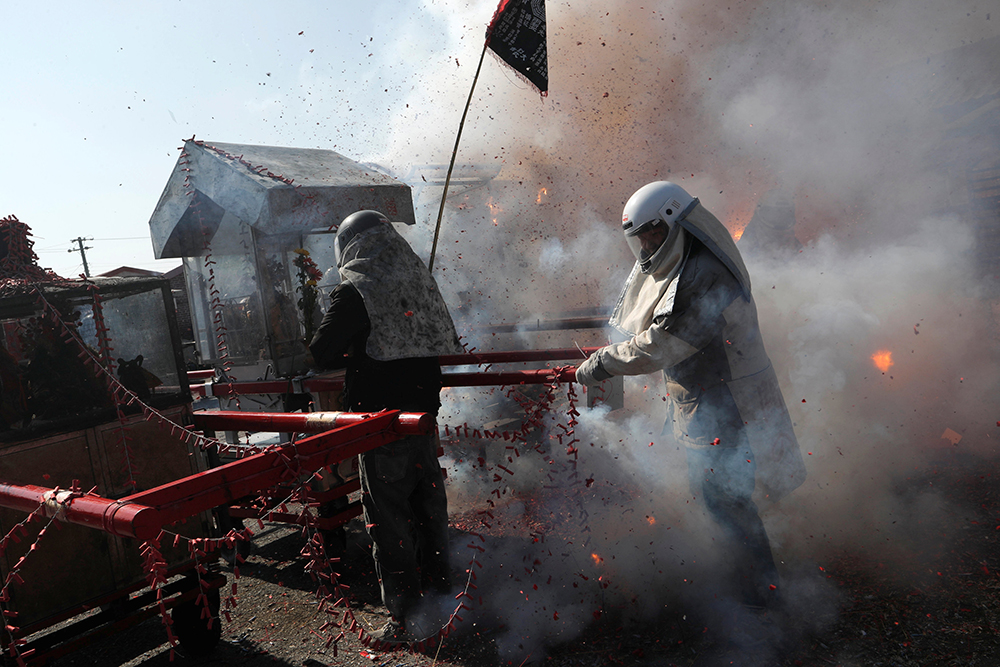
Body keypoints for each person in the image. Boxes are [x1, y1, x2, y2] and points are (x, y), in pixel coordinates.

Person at [575, 181, 806, 607]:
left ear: (676, 222)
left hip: (727, 402)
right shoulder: (690, 259)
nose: (647, 245)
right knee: (719, 495)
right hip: (712, 397)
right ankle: (750, 585)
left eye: (653, 234)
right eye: (642, 238)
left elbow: (664, 343)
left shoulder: (702, 274)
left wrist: (604, 362)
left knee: (726, 498)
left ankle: (763, 599)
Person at [309, 210, 463, 643]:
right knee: (429, 514)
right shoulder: (419, 280)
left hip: (382, 425)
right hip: (423, 420)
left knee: (390, 523)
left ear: (350, 248)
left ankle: (406, 619)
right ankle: (443, 602)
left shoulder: (356, 288)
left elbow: (321, 351)